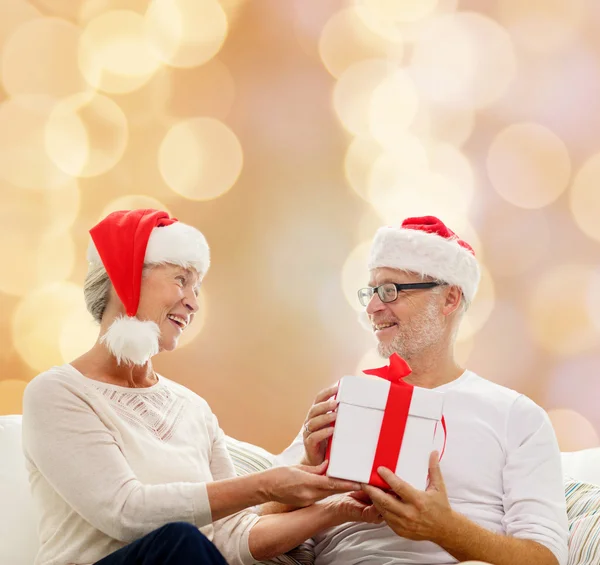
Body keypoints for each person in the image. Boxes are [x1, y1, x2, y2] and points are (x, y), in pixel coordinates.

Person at [21, 209, 382, 565]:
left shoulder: (193, 408)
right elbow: (125, 514)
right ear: (125, 277)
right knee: (180, 540)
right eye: (181, 280)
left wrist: (339, 510)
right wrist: (266, 485)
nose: (193, 302)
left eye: (197, 287)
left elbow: (231, 538)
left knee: (189, 544)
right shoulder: (57, 393)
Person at [273, 216, 569, 565]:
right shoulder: (345, 401)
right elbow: (254, 525)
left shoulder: (516, 416)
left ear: (449, 299)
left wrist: (444, 528)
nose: (371, 308)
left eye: (390, 291)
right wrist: (310, 463)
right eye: (371, 292)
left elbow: (546, 559)